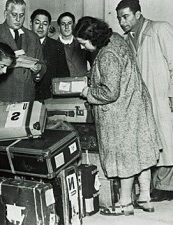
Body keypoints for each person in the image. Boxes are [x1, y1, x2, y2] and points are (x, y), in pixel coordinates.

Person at [74, 16, 162, 215]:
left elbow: (110, 92)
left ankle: (124, 204)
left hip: (121, 114)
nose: (81, 48)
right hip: (136, 106)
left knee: (125, 158)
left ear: (94, 38)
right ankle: (145, 197)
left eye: (83, 43)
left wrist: (89, 92)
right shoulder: (115, 38)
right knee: (141, 153)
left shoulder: (107, 55)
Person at [116, 0, 173, 202]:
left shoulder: (160, 29)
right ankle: (157, 187)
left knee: (167, 141)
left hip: (162, 96)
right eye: (119, 18)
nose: (122, 22)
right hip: (142, 100)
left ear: (138, 14)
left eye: (126, 16)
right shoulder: (125, 40)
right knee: (152, 142)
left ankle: (166, 187)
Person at [0, 0, 46, 102]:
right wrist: (16, 63)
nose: (18, 19)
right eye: (14, 15)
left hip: (26, 97)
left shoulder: (33, 37)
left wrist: (38, 69)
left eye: (21, 15)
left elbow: (42, 64)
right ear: (6, 14)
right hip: (0, 97)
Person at [30, 9, 70, 100]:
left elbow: (63, 74)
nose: (41, 27)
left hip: (50, 97)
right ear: (31, 24)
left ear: (49, 26)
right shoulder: (23, 44)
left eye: (44, 24)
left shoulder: (57, 46)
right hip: (28, 97)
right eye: (37, 23)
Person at [57, 12, 94, 77]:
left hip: (82, 83)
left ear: (74, 26)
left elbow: (94, 62)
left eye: (69, 23)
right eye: (63, 24)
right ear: (59, 28)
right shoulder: (53, 46)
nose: (66, 27)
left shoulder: (84, 43)